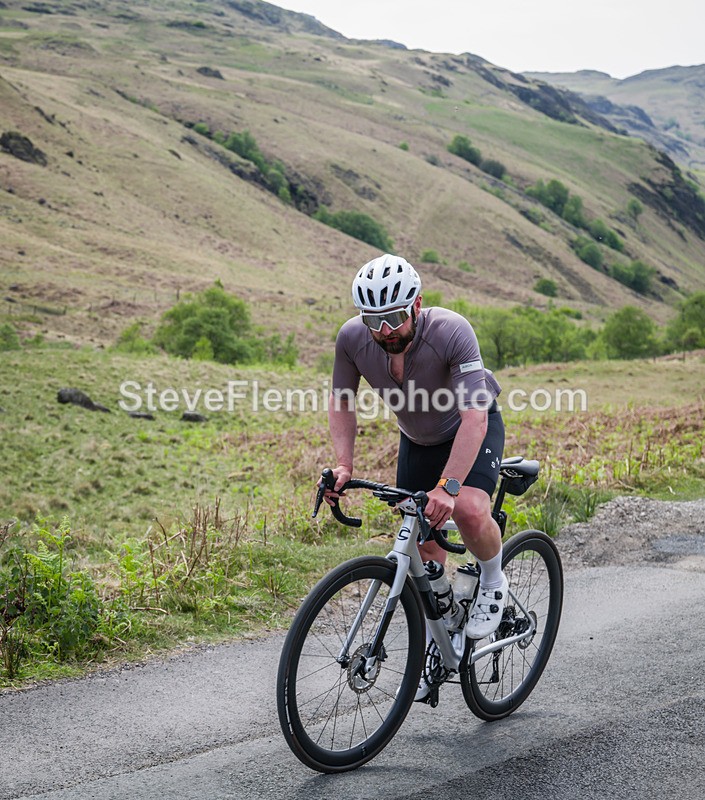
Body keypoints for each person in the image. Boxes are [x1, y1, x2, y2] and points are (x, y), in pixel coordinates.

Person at [324, 253, 507, 702]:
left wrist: (449, 487)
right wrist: (343, 465)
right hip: (417, 441)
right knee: (422, 549)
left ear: (417, 305)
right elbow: (342, 401)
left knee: (466, 507)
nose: (385, 330)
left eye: (395, 317)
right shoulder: (352, 339)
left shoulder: (451, 331)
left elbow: (474, 420)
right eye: (374, 319)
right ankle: (439, 632)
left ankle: (493, 579)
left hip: (469, 430)